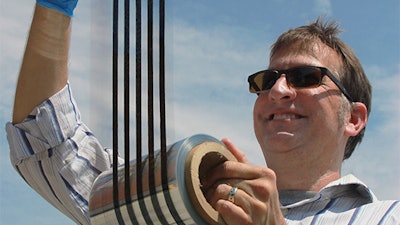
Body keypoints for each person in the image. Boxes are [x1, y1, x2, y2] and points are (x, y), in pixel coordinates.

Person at [6, 1, 399, 225]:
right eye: (266, 80)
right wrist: (55, 7)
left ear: (354, 118)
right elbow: (48, 144)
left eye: (304, 76)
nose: (278, 90)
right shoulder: (189, 201)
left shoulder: (385, 216)